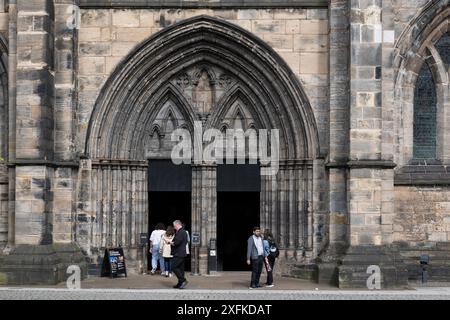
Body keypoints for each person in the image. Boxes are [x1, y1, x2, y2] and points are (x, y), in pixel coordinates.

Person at [171, 220, 189, 289]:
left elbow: (177, 242)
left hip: (179, 253)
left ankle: (183, 280)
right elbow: (186, 241)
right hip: (181, 252)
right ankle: (180, 283)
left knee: (173, 267)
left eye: (174, 226)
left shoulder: (181, 232)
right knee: (180, 269)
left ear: (178, 224)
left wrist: (171, 242)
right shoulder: (183, 232)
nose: (174, 227)